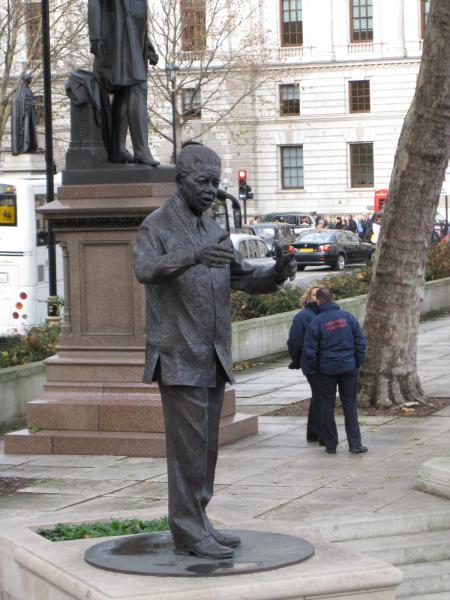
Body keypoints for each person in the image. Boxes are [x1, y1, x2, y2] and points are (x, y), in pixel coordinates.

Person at [133, 142, 296, 559]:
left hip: (212, 356)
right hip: (178, 355)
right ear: (180, 180)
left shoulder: (212, 228)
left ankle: (199, 520)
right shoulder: (157, 225)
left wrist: (275, 273)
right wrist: (191, 256)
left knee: (205, 451)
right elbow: (145, 270)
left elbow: (243, 278)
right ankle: (187, 529)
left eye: (215, 182)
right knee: (187, 451)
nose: (210, 190)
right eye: (202, 182)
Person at [88, 0, 159, 165]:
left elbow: (137, 17)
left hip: (133, 42)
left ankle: (117, 149)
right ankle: (141, 150)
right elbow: (95, 3)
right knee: (138, 86)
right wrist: (95, 37)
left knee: (125, 91)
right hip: (116, 38)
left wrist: (146, 45)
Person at [302, 287, 368, 455]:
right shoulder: (348, 317)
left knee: (326, 405)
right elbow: (360, 342)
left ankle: (331, 444)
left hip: (326, 370)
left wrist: (314, 369)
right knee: (350, 405)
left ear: (318, 300)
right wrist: (356, 362)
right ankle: (355, 444)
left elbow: (310, 350)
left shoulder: (317, 321)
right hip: (348, 367)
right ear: (332, 298)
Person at [287, 287, 323, 444]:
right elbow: (294, 341)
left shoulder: (325, 314)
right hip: (312, 363)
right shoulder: (303, 317)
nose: (317, 298)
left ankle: (314, 432)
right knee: (320, 396)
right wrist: (297, 361)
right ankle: (317, 432)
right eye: (315, 295)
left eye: (320, 295)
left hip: (323, 362)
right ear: (309, 297)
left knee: (319, 396)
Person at [11, 73, 38, 155]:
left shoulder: (28, 90)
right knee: (25, 130)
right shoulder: (20, 90)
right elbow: (17, 102)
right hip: (25, 113)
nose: (31, 80)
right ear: (27, 80)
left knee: (30, 131)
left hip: (30, 113)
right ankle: (24, 147)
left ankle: (29, 147)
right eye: (30, 79)